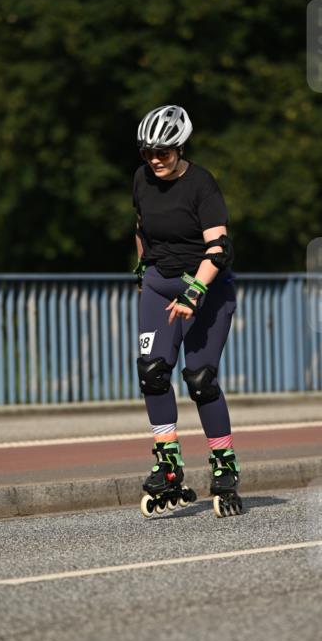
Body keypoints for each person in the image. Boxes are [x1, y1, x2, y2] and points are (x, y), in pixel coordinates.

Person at [132, 104, 242, 517]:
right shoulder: (141, 179)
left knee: (200, 378)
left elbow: (219, 248)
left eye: (163, 151)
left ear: (179, 147)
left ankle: (224, 466)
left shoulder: (202, 184)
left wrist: (194, 291)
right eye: (148, 152)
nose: (154, 160)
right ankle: (169, 465)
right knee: (152, 371)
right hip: (161, 288)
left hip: (207, 291)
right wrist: (145, 274)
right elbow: (141, 228)